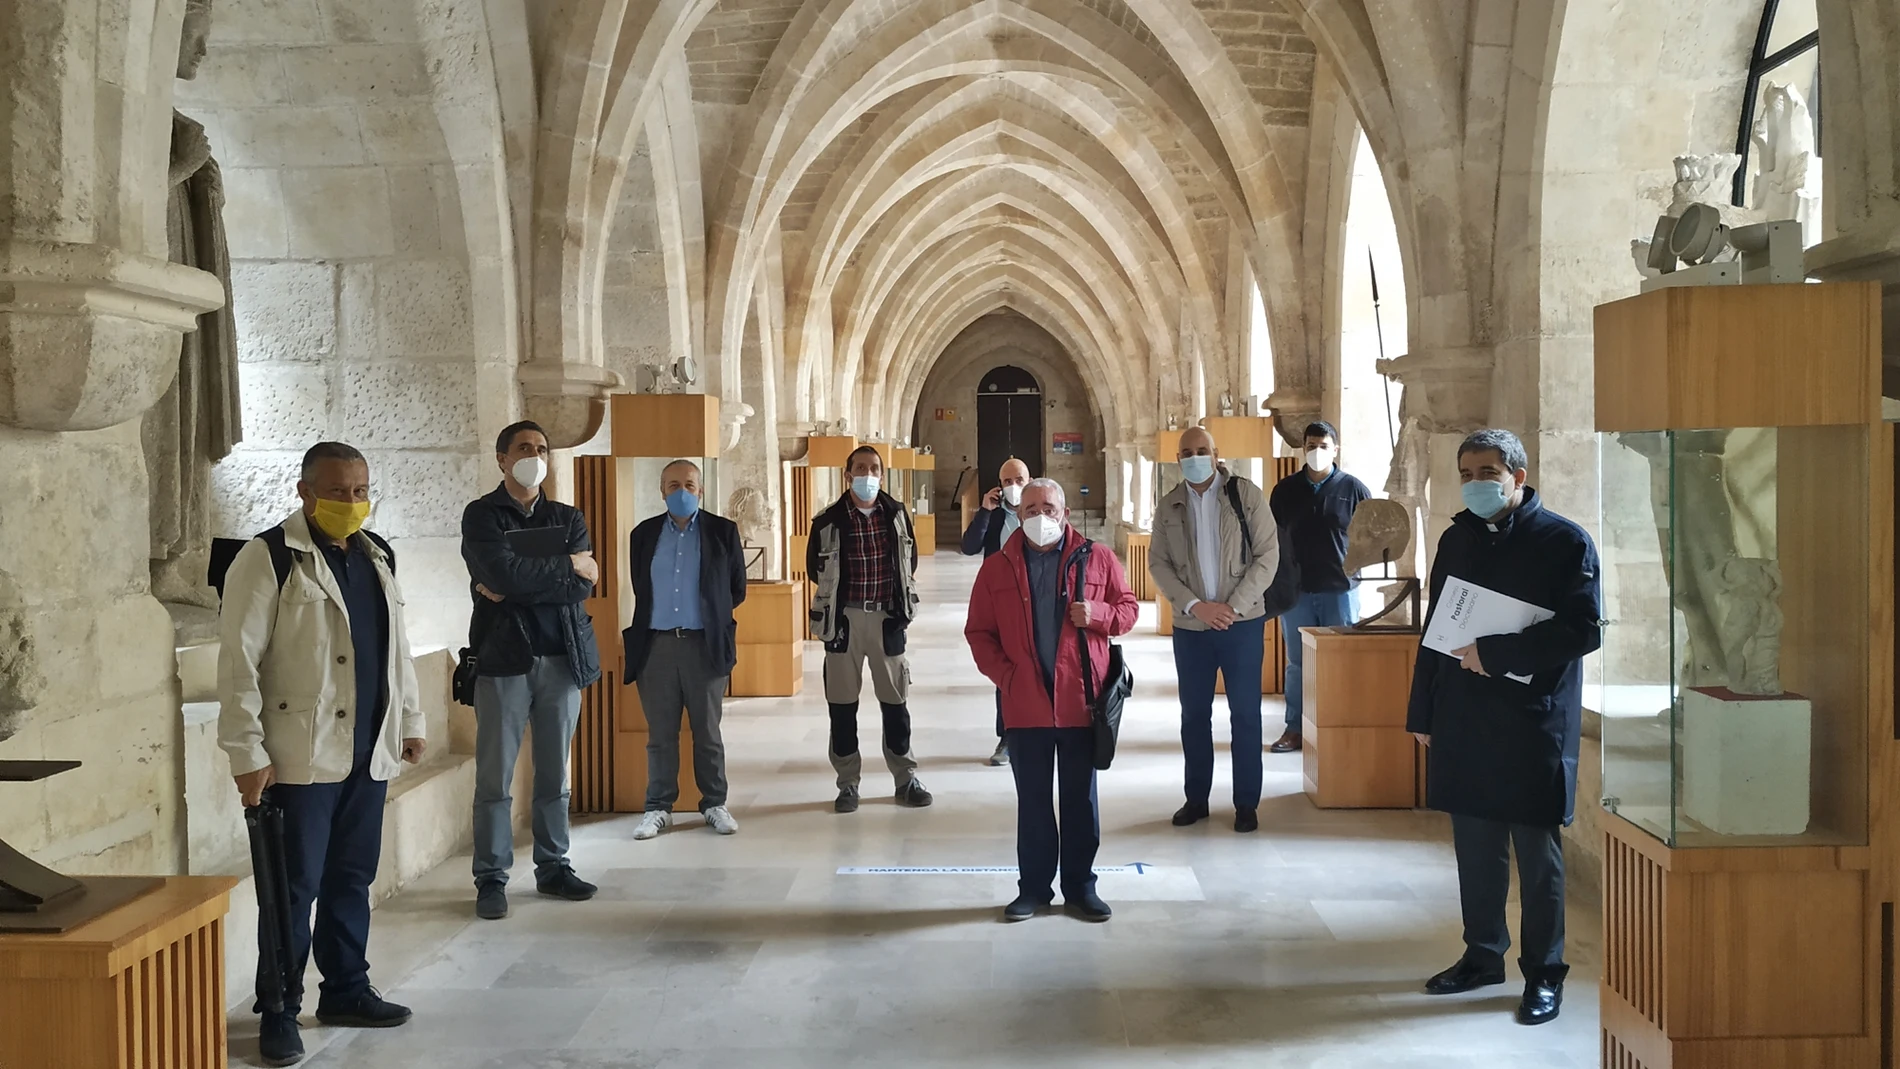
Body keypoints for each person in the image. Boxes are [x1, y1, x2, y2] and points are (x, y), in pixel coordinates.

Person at [218, 442, 426, 1066]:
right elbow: (238, 664)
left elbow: (398, 650)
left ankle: (345, 989)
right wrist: (245, 751)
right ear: (305, 491)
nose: (352, 502)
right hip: (299, 757)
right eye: (338, 491)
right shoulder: (268, 558)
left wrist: (410, 720)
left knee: (351, 878)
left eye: (361, 490)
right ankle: (279, 1007)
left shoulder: (377, 554)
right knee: (292, 886)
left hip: (368, 752)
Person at [1407, 428, 1602, 1027]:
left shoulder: (1565, 541)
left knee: (1537, 856)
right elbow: (1438, 631)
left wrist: (1498, 652)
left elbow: (1583, 630)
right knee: (1475, 847)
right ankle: (1482, 954)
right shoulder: (1457, 538)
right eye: (1466, 473)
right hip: (1465, 714)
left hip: (1532, 719)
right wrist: (1423, 711)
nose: (1475, 483)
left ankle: (1544, 974)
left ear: (1518, 476)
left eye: (1487, 472)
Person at [965, 478, 1137, 923]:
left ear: (1065, 513)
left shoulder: (1097, 557)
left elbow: (1128, 609)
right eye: (1031, 509)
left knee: (1080, 801)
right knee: (1035, 802)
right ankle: (1034, 889)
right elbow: (979, 633)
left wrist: (1097, 615)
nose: (1041, 516)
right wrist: (1008, 677)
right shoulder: (997, 568)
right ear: (1018, 515)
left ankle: (1081, 887)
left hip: (1081, 701)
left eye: (1049, 508)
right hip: (1026, 706)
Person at [460, 421, 603, 922]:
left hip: (563, 658)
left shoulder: (568, 517)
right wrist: (567, 567)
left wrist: (523, 581)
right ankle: (492, 876)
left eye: (542, 448)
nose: (534, 455)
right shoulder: (482, 516)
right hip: (504, 660)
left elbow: (581, 590)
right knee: (496, 776)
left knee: (554, 773)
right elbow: (499, 573)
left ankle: (553, 866)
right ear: (502, 459)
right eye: (524, 448)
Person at [1148, 426, 1281, 832]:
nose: (1194, 457)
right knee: (1194, 716)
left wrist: (1233, 607)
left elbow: (1267, 554)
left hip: (1241, 625)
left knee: (1245, 715)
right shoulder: (1169, 506)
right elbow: (1158, 564)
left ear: (1216, 453)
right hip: (1192, 628)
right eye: (1186, 452)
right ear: (1178, 459)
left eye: (1201, 450)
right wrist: (1194, 606)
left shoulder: (1245, 495)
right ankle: (1196, 799)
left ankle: (1246, 804)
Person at [623, 459, 747, 840]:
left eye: (689, 485)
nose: (681, 491)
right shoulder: (643, 535)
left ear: (701, 490)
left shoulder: (722, 532)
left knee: (707, 731)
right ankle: (658, 807)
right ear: (661, 491)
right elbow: (640, 586)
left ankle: (714, 803)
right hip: (656, 646)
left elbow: (736, 589)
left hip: (703, 645)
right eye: (673, 484)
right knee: (660, 734)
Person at [807, 444, 931, 812]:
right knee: (842, 706)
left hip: (886, 619)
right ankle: (847, 783)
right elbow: (815, 568)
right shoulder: (828, 521)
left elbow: (910, 559)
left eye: (874, 468)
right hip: (843, 621)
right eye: (860, 468)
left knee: (896, 703)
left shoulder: (895, 514)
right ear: (847, 476)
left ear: (882, 473)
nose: (867, 475)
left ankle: (905, 777)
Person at [1266, 421, 1372, 753]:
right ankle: (1295, 728)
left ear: (1335, 449)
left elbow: (1370, 538)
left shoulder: (1354, 489)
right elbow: (1272, 540)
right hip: (1296, 591)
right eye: (1311, 445)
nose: (1316, 451)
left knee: (1341, 661)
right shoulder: (1285, 491)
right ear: (1303, 448)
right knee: (1298, 663)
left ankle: (1341, 726)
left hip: (1340, 589)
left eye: (1323, 445)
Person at [961, 456, 1033, 766]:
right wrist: (984, 513)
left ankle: (1039, 731)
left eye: (1019, 480)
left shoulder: (1039, 511)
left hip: (1038, 598)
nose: (1013, 487)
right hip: (1003, 602)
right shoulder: (992, 516)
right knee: (1005, 670)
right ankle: (1007, 736)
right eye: (1007, 481)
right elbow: (968, 547)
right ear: (999, 486)